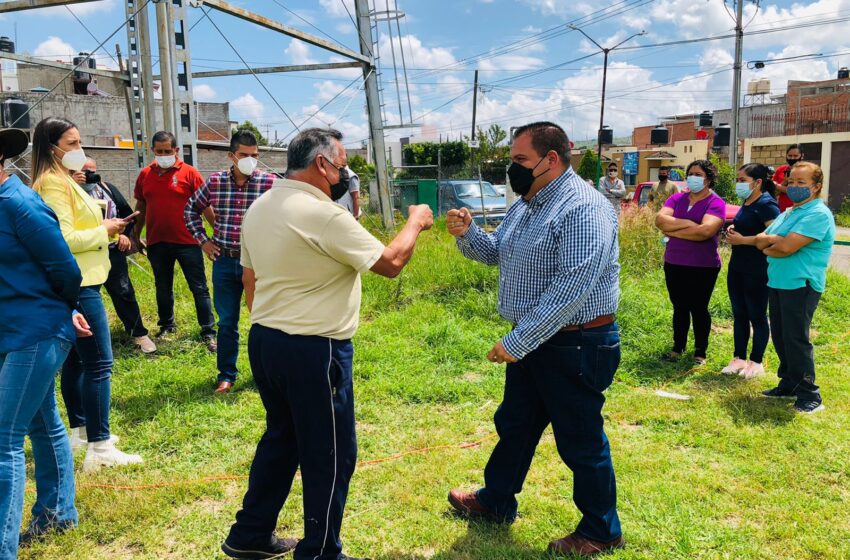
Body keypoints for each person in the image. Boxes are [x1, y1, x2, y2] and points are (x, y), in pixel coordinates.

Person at [221, 128, 433, 560]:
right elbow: (391, 263)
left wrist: (274, 319)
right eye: (342, 166)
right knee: (330, 452)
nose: (345, 175)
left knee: (282, 439)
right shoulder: (323, 214)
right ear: (321, 164)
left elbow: (250, 279)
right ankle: (320, 552)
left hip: (265, 339)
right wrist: (415, 222)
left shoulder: (261, 207)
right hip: (313, 348)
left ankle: (250, 534)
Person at [446, 122, 624, 558]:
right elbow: (497, 254)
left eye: (521, 160)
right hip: (539, 340)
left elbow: (572, 287)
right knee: (516, 425)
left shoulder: (583, 208)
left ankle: (601, 530)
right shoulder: (527, 204)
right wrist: (468, 233)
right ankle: (494, 502)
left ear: (552, 159)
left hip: (577, 342)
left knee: (580, 439)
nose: (513, 168)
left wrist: (518, 340)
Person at [31, 117, 143, 472]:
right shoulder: (52, 184)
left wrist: (107, 230)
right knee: (100, 364)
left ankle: (82, 430)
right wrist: (104, 229)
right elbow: (60, 240)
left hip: (84, 280)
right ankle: (100, 446)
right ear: (53, 150)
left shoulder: (61, 180)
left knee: (79, 362)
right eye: (73, 144)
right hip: (79, 284)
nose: (80, 150)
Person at [0, 127, 87, 558]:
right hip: (12, 329)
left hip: (34, 331)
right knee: (41, 420)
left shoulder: (20, 204)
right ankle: (57, 512)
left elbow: (64, 268)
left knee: (3, 438)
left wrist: (62, 308)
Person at [184, 130, 275, 394]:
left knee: (263, 320)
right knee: (227, 322)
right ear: (231, 156)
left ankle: (265, 373)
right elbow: (191, 209)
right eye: (244, 155)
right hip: (225, 260)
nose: (250, 160)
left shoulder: (269, 183)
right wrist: (203, 241)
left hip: (258, 264)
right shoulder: (215, 182)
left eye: (255, 156)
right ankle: (226, 375)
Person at [756, 162, 835, 413]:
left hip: (801, 284)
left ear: (817, 186)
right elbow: (763, 240)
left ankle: (809, 394)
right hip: (778, 281)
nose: (795, 186)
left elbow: (786, 248)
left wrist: (773, 244)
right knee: (780, 335)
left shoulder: (818, 214)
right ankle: (789, 382)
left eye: (802, 182)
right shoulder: (789, 212)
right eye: (791, 182)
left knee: (796, 338)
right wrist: (772, 243)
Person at [133, 131, 216, 351]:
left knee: (199, 287)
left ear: (176, 151)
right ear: (153, 150)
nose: (163, 155)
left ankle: (208, 331)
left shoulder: (190, 173)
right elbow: (141, 207)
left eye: (167, 151)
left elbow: (205, 206)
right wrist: (135, 234)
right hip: (157, 241)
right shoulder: (145, 174)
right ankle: (167, 326)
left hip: (188, 241)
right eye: (159, 151)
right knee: (162, 286)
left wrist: (216, 234)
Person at [73, 158, 156, 354]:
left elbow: (129, 215)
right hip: (82, 252)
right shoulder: (67, 193)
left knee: (124, 291)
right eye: (84, 171)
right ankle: (84, 338)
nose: (89, 175)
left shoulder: (107, 189)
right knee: (82, 297)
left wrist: (125, 236)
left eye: (92, 171)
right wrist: (72, 183)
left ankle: (139, 333)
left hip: (111, 251)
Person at [655, 159, 726, 365]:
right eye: (691, 173)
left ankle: (700, 352)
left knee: (698, 307)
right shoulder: (677, 199)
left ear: (709, 179)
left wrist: (673, 230)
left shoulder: (715, 203)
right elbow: (660, 220)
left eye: (698, 174)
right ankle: (677, 348)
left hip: (703, 265)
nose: (693, 178)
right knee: (679, 306)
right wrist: (689, 224)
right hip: (674, 262)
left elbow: (706, 231)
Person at [723, 163, 780, 378]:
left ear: (757, 182)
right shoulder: (747, 201)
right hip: (738, 266)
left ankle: (756, 361)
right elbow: (749, 227)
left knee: (756, 315)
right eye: (737, 180)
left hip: (757, 269)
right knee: (739, 314)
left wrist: (743, 239)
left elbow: (773, 238)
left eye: (742, 180)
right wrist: (733, 229)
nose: (738, 184)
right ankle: (738, 358)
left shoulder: (767, 204)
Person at [771, 144, 803, 212]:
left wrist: (776, 185)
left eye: (795, 156)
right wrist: (784, 182)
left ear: (802, 156)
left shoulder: (805, 171)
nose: (792, 158)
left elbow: (796, 192)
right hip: (782, 210)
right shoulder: (781, 170)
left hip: (799, 210)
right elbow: (774, 193)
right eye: (790, 156)